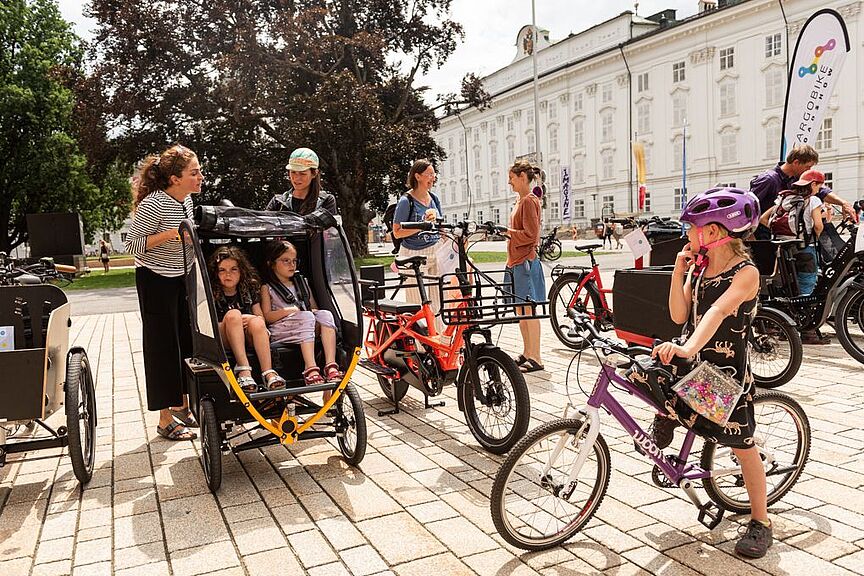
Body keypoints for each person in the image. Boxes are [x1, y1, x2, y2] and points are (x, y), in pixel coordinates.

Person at [652, 187, 771, 559]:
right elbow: (677, 314)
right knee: (645, 373)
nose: (686, 234)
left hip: (726, 375)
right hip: (694, 362)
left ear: (714, 233)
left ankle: (761, 521)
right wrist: (679, 271)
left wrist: (688, 348)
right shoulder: (702, 267)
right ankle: (670, 415)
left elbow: (717, 312)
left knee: (742, 447)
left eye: (691, 228)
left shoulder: (746, 273)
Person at [125, 144, 202, 441]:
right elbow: (132, 245)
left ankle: (183, 404)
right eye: (194, 173)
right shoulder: (153, 204)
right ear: (174, 178)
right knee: (161, 347)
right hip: (155, 280)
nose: (201, 177)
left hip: (183, 276)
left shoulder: (187, 201)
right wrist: (173, 235)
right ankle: (164, 419)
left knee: (186, 342)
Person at [261, 240, 343, 390]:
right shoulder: (267, 288)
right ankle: (310, 368)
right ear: (272, 263)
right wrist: (288, 311)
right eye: (285, 261)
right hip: (281, 329)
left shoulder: (302, 283)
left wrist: (312, 313)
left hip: (305, 322)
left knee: (325, 314)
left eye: (294, 261)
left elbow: (312, 308)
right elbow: (266, 316)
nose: (292, 265)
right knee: (307, 317)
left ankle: (330, 365)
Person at [760, 170, 828, 344]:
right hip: (804, 249)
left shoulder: (784, 199)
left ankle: (785, 330)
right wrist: (812, 238)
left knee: (789, 288)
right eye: (819, 185)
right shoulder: (813, 200)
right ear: (813, 184)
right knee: (806, 287)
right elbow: (818, 226)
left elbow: (762, 218)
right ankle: (808, 333)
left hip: (783, 250)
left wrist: (781, 234)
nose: (819, 189)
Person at [209, 246, 285, 392]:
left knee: (256, 321)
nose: (228, 274)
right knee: (233, 315)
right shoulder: (212, 291)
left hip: (248, 334)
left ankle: (268, 372)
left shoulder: (248, 288)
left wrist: (248, 318)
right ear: (216, 273)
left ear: (241, 271)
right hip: (223, 335)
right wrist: (236, 318)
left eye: (233, 269)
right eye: (222, 270)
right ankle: (243, 369)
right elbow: (210, 324)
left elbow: (260, 317)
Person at [750, 144, 856, 239]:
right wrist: (750, 236)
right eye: (808, 166)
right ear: (796, 162)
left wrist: (844, 203)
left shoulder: (798, 179)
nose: (809, 170)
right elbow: (748, 208)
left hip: (785, 238)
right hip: (762, 238)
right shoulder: (768, 179)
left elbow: (822, 191)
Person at [391, 159, 449, 332]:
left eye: (434, 174)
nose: (433, 178)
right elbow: (397, 232)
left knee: (439, 299)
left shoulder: (434, 199)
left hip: (435, 251)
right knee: (417, 301)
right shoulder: (406, 201)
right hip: (413, 255)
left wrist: (451, 237)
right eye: (429, 174)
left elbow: (440, 226)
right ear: (418, 176)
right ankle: (420, 345)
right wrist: (421, 224)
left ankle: (440, 340)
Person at [505, 160, 545, 374]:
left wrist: (508, 232)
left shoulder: (529, 201)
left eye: (511, 177)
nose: (509, 182)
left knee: (529, 310)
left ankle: (536, 357)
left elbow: (531, 235)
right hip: (517, 262)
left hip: (526, 262)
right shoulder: (519, 201)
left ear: (522, 177)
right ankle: (527, 352)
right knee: (521, 311)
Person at [265, 147, 338, 215]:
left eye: (302, 174)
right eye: (293, 172)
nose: (296, 178)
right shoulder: (278, 202)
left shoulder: (326, 201)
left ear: (314, 173)